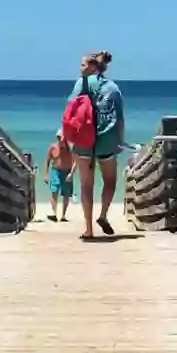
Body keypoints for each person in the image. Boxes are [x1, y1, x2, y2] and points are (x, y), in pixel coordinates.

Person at [70, 50, 125, 239]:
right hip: (107, 140)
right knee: (110, 181)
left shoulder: (80, 84)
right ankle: (102, 215)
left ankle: (88, 229)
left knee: (86, 185)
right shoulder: (113, 88)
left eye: (83, 65)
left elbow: (70, 110)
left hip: (84, 139)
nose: (80, 68)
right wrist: (120, 140)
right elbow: (119, 119)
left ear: (93, 66)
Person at [43, 133, 77, 222]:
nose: (60, 139)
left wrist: (71, 174)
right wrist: (46, 175)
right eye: (58, 137)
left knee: (66, 193)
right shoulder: (52, 147)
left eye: (62, 137)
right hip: (55, 171)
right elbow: (47, 161)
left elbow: (75, 162)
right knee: (54, 190)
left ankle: (63, 215)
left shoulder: (70, 148)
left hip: (67, 172)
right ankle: (54, 213)